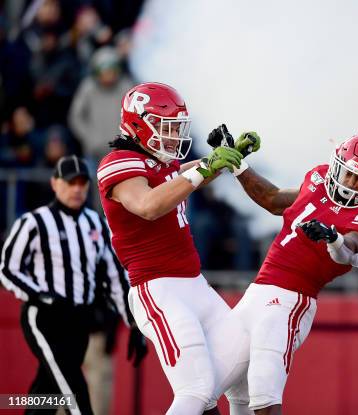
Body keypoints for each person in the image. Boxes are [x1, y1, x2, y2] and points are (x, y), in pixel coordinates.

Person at [210, 126, 358, 415]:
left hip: (290, 301)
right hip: (255, 293)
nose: (351, 183)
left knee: (263, 392)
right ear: (337, 165)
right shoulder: (317, 179)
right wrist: (239, 165)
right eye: (349, 174)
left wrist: (334, 239)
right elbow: (272, 199)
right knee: (203, 389)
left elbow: (353, 249)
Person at [97, 82, 250, 415]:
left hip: (194, 284)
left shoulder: (158, 162)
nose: (172, 136)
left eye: (176, 128)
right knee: (194, 390)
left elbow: (177, 176)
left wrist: (219, 160)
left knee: (244, 369)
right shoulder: (118, 161)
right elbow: (149, 205)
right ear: (138, 124)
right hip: (158, 289)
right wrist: (207, 167)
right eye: (166, 128)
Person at [0, 155, 147, 415]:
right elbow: (7, 270)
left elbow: (114, 278)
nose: (77, 188)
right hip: (44, 317)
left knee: (47, 393)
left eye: (82, 183)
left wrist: (134, 323)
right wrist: (40, 296)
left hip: (79, 321)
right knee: (73, 388)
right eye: (70, 182)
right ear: (55, 184)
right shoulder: (33, 222)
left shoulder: (97, 224)